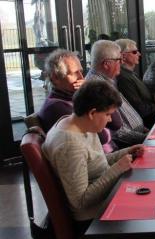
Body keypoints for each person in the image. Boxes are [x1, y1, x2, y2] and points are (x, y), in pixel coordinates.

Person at [42, 80, 144, 226]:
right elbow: (81, 201)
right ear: (92, 113)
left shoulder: (80, 123)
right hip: (93, 219)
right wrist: (118, 168)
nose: (110, 120)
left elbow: (95, 162)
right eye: (108, 114)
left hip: (105, 200)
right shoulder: (69, 144)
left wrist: (127, 152)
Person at [38, 49, 119, 152]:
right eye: (75, 73)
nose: (81, 77)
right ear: (55, 78)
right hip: (100, 161)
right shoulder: (56, 107)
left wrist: (93, 92)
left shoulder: (77, 97)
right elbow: (101, 137)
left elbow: (116, 124)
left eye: (81, 71)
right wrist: (109, 131)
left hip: (110, 153)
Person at [86, 40, 148, 148]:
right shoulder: (97, 87)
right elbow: (115, 131)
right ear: (106, 64)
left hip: (139, 136)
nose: (122, 62)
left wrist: (144, 129)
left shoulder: (109, 80)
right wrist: (146, 138)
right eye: (119, 60)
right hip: (128, 146)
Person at [115, 39, 155, 128]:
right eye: (134, 52)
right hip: (149, 122)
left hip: (154, 116)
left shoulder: (131, 73)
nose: (139, 54)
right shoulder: (123, 78)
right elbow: (140, 109)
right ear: (123, 56)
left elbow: (145, 94)